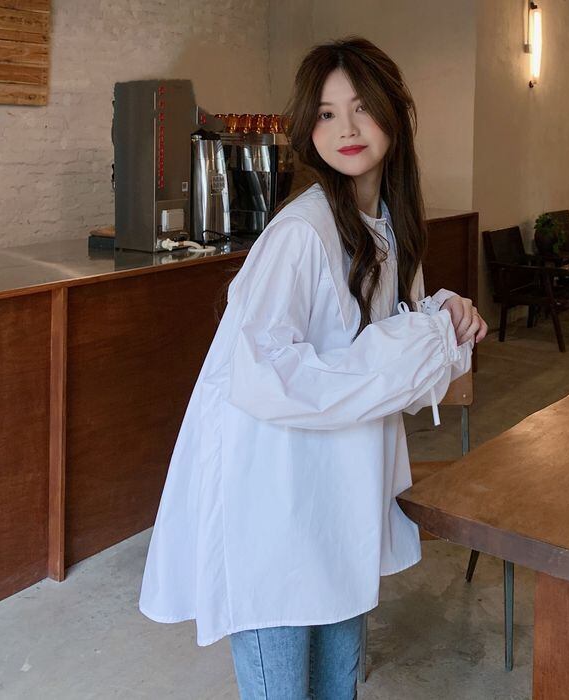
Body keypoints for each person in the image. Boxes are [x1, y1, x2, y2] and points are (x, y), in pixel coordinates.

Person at [139, 36, 487, 700]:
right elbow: (267, 375)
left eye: (360, 107)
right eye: (327, 113)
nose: (346, 129)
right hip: (274, 499)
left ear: (394, 111)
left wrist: (439, 314)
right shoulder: (301, 233)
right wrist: (425, 339)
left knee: (336, 685)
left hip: (338, 493)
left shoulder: (389, 226)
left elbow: (380, 342)